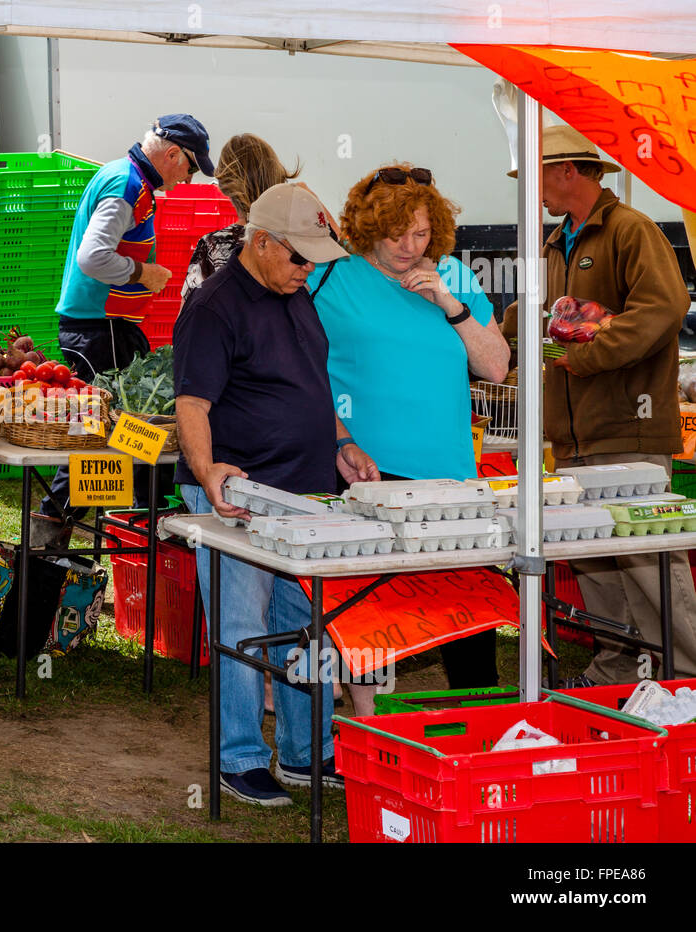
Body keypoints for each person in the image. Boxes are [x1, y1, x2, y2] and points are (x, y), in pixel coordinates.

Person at [175, 183, 378, 806]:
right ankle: (238, 758)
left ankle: (306, 752)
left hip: (307, 494)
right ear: (260, 242)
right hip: (241, 495)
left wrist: (341, 441)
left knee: (307, 627)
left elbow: (311, 384)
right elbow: (191, 402)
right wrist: (209, 473)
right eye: (297, 256)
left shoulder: (294, 294)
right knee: (241, 623)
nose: (307, 269)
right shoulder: (213, 308)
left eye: (314, 258)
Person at [501, 125, 696, 687]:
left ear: (567, 171)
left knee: (650, 563)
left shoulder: (629, 230)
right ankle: (619, 667)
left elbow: (665, 306)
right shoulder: (555, 242)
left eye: (535, 176)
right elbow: (534, 318)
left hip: (626, 431)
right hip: (572, 436)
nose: (530, 190)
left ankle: (686, 677)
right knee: (596, 564)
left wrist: (579, 357)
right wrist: (481, 335)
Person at [312, 163, 510, 715]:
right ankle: (364, 728)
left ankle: (485, 726)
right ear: (366, 225)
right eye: (396, 232)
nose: (408, 245)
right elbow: (303, 376)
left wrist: (451, 304)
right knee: (369, 609)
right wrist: (338, 440)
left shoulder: (453, 275)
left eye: (421, 233)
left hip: (451, 476)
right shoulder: (329, 277)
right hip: (368, 473)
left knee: (468, 609)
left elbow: (496, 366)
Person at [32, 114, 213, 549]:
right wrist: (142, 272)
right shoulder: (127, 186)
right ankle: (52, 533)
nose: (187, 179)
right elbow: (93, 258)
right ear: (172, 154)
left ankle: (106, 529)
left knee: (107, 432)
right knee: (102, 433)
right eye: (189, 167)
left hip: (104, 325)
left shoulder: (125, 176)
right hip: (98, 327)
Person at [181, 134, 299, 300]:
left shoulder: (213, 246)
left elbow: (188, 315)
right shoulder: (297, 243)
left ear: (225, 187)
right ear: (277, 175)